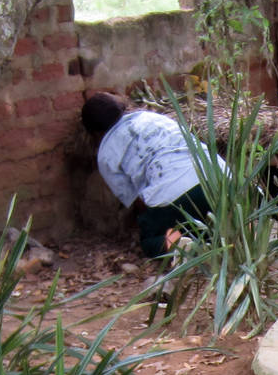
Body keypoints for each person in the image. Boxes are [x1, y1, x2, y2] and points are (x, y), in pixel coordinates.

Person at [80, 92, 221, 259]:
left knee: (150, 241)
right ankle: (241, 229)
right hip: (218, 177)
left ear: (94, 133)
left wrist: (152, 221)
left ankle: (183, 244)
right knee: (217, 215)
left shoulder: (105, 155)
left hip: (173, 195)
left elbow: (137, 201)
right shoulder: (151, 118)